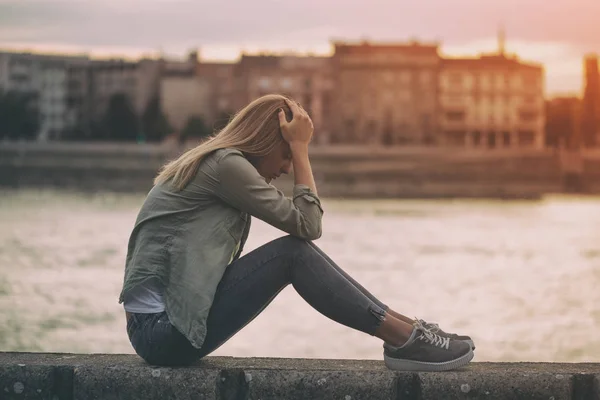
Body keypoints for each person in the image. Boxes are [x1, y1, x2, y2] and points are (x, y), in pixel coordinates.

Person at [119, 94, 475, 371]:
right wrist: (302, 149)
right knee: (292, 254)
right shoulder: (226, 166)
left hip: (161, 328)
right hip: (162, 333)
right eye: (286, 155)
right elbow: (308, 226)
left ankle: (409, 331)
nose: (288, 168)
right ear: (265, 142)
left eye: (293, 158)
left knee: (294, 252)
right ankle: (404, 337)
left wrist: (296, 150)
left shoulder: (219, 164)